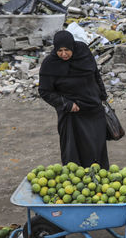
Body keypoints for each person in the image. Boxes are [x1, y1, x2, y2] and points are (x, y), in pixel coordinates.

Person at [39, 30, 110, 169]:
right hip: (71, 114)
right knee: (73, 151)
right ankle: (75, 182)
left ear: (72, 46)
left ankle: (99, 182)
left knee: (96, 148)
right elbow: (44, 91)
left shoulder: (83, 52)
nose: (64, 54)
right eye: (60, 50)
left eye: (67, 50)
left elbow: (95, 74)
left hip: (93, 110)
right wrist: (66, 104)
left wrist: (102, 95)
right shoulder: (50, 63)